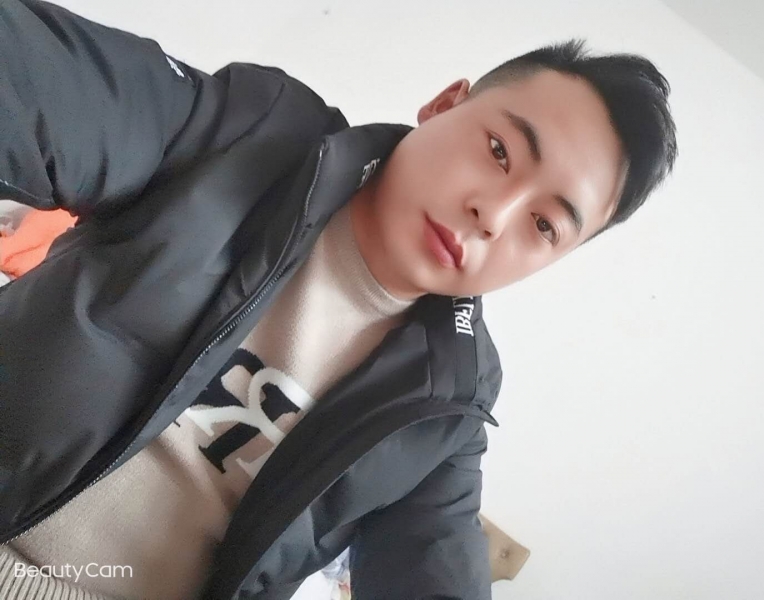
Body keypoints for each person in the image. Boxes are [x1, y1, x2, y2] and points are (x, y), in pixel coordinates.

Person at [0, 0, 678, 598]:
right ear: (444, 104)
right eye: (499, 150)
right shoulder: (247, 133)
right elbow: (41, 81)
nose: (493, 216)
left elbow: (435, 569)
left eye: (544, 226)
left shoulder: (446, 403)